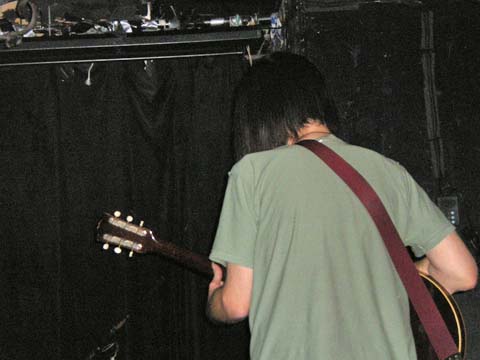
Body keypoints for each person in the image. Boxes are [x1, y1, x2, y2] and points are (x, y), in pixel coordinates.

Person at [205, 52, 478, 359]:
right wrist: (381, 277)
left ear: (258, 117)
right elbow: (461, 272)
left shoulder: (252, 172)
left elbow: (236, 303)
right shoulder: (388, 170)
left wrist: (215, 299)